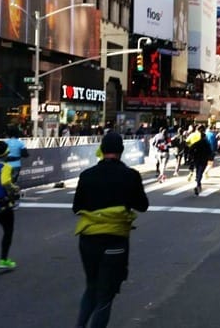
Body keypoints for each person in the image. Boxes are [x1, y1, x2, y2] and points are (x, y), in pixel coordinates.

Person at [72, 132, 149, 328]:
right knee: (105, 295)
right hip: (115, 240)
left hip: (87, 239)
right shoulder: (130, 175)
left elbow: (76, 207)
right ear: (121, 151)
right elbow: (142, 205)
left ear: (102, 150)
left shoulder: (86, 175)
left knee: (91, 286)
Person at [0, 141, 20, 270]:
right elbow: (5, 182)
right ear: (6, 153)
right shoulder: (6, 167)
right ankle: (4, 260)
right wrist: (14, 189)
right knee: (7, 231)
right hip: (2, 205)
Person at [187, 125, 212, 196]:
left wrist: (191, 156)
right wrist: (210, 158)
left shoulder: (197, 143)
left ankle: (198, 183)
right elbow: (210, 151)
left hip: (196, 158)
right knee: (200, 172)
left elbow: (190, 148)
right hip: (204, 159)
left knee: (198, 171)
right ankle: (198, 184)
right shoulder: (206, 143)